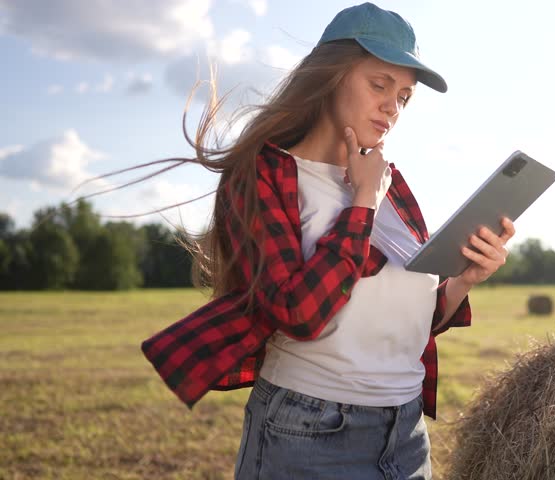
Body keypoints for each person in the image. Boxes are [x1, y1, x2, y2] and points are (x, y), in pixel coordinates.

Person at [141, 3, 515, 479]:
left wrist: (462, 281)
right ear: (329, 76)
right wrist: (362, 202)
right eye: (379, 84)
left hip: (405, 435)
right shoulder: (264, 175)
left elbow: (404, 322)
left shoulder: (390, 183)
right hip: (309, 434)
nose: (392, 107)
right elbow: (300, 313)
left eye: (403, 96)